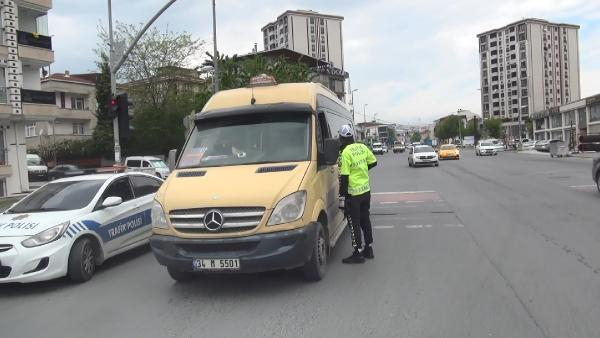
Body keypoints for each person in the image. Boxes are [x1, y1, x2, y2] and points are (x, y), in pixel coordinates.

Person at [338, 125, 378, 264]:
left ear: (342, 138)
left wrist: (342, 197)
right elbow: (374, 162)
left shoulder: (346, 152)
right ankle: (369, 248)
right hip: (366, 191)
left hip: (353, 194)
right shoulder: (362, 147)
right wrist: (362, 170)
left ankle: (358, 253)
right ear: (352, 137)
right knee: (365, 219)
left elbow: (344, 178)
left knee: (353, 222)